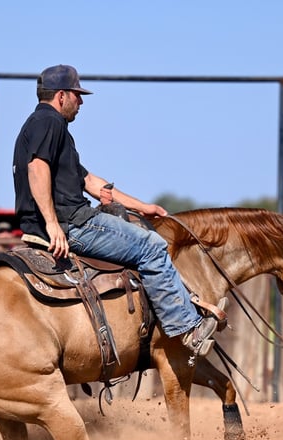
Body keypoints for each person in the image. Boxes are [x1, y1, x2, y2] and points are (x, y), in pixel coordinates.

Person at [12, 64, 219, 355]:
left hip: (65, 221)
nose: (81, 102)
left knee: (140, 231)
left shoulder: (44, 128)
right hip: (74, 224)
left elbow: (90, 182)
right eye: (76, 95)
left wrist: (143, 207)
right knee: (150, 246)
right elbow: (37, 168)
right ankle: (187, 328)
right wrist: (53, 225)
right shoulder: (50, 123)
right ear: (61, 96)